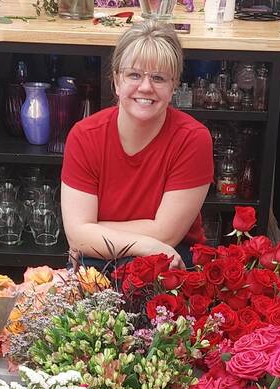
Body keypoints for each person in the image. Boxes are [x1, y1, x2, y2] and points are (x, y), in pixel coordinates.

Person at [60, 22, 213, 269]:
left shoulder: (193, 139)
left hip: (171, 260)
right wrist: (148, 243)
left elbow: (167, 234)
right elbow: (77, 237)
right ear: (117, 81)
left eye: (158, 78)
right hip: (103, 258)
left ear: (173, 86)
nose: (145, 87)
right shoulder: (84, 136)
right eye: (134, 75)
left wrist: (91, 233)